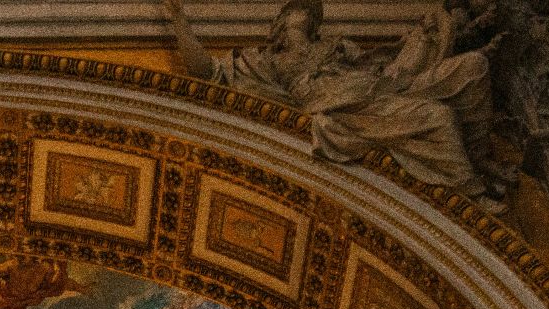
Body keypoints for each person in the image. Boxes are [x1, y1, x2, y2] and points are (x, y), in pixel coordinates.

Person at [162, 0, 497, 202]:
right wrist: (179, 18)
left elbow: (384, 66)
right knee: (439, 118)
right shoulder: (264, 62)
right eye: (300, 11)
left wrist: (427, 38)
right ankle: (473, 196)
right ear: (280, 24)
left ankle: (484, 161)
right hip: (350, 111)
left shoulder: (339, 46)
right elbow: (206, 72)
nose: (310, 15)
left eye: (313, 14)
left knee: (473, 67)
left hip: (379, 90)